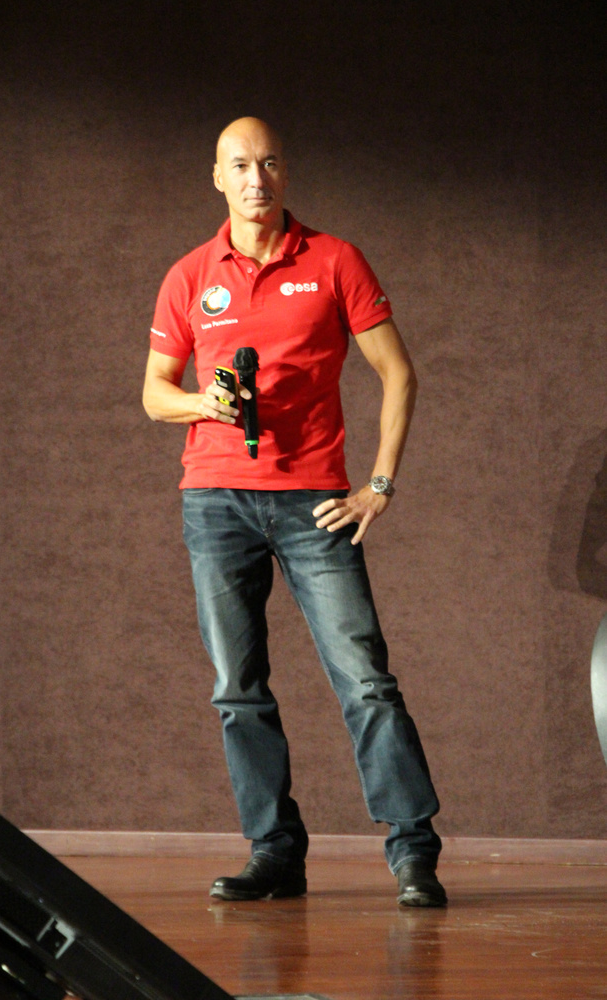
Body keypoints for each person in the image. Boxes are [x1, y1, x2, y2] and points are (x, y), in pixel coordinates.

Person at [142, 117, 446, 907]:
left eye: (270, 162)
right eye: (241, 164)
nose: (257, 177)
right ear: (218, 177)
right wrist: (204, 403)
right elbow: (154, 394)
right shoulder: (189, 275)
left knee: (365, 680)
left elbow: (399, 373)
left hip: (315, 501)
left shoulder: (335, 260)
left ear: (285, 172)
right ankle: (274, 851)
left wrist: (378, 485)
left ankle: (413, 852)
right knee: (236, 688)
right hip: (216, 502)